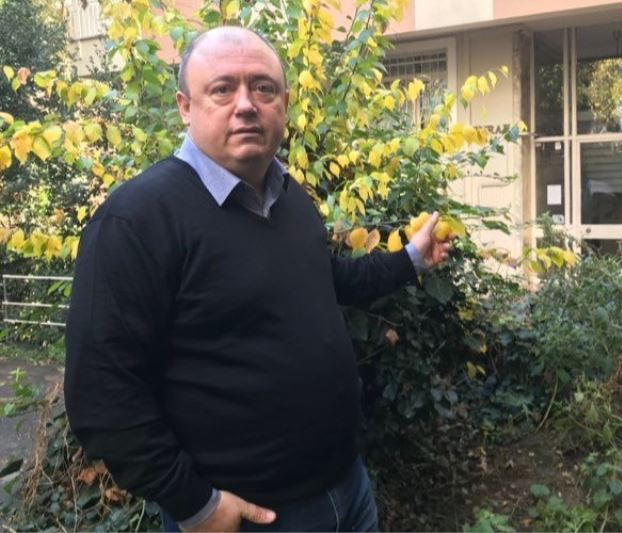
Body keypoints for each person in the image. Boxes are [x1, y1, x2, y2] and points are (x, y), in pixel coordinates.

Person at [64, 26, 452, 533]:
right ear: (185, 107)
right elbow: (101, 392)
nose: (246, 104)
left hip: (348, 489)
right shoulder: (137, 219)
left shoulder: (290, 197)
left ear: (284, 105)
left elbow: (329, 279)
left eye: (263, 88)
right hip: (249, 517)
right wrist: (194, 504)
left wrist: (412, 259)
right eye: (222, 89)